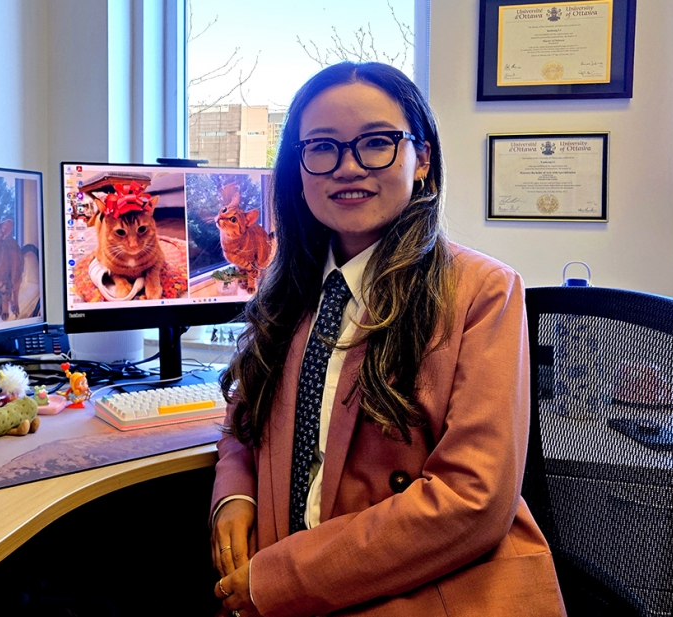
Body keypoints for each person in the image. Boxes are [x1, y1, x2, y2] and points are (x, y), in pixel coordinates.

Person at [209, 61, 565, 617]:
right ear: (297, 168)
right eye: (322, 147)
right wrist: (235, 491)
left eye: (376, 143)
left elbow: (471, 499)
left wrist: (284, 578)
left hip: (426, 592)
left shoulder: (483, 291)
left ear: (421, 159)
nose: (348, 168)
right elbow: (245, 412)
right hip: (291, 583)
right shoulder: (292, 288)